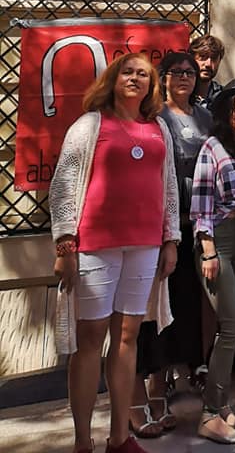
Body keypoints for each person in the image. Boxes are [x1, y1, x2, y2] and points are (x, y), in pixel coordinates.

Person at [49, 53, 180, 453]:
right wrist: (65, 245)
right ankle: (82, 442)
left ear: (151, 86)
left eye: (144, 74)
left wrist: (171, 239)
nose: (136, 78)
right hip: (94, 246)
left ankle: (120, 438)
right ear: (113, 78)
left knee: (127, 337)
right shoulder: (90, 125)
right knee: (91, 339)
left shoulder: (159, 127)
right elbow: (64, 184)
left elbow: (169, 185)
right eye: (128, 72)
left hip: (145, 246)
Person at [132, 51, 214, 436]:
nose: (184, 77)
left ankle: (189, 372)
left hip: (200, 223)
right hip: (165, 226)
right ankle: (156, 385)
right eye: (176, 71)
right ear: (163, 78)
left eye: (190, 72)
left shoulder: (206, 117)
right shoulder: (154, 117)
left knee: (191, 305)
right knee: (160, 310)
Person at [191, 78, 235, 445]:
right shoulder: (211, 148)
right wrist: (208, 249)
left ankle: (221, 406)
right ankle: (207, 414)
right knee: (234, 326)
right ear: (222, 112)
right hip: (216, 242)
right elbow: (200, 203)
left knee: (229, 330)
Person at [190, 34, 227, 110]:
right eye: (203, 56)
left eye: (214, 58)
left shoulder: (224, 97)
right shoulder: (181, 96)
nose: (208, 64)